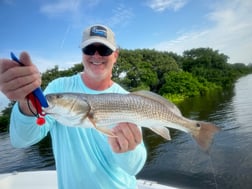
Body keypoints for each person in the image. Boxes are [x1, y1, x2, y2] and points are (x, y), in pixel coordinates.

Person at [0, 24, 147, 189]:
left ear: (115, 56)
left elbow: (134, 168)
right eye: (89, 49)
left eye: (104, 50)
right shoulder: (58, 87)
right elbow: (21, 140)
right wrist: (26, 103)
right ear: (82, 53)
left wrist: (127, 150)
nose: (96, 55)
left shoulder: (129, 100)